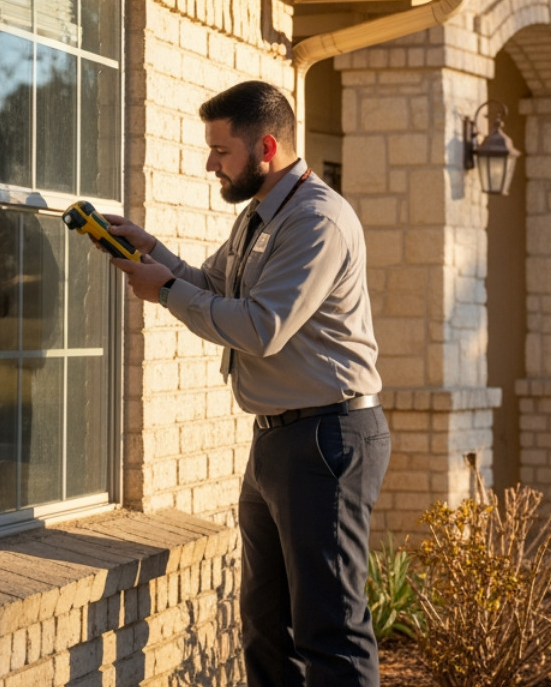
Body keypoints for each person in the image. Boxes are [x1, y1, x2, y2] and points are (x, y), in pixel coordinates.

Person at [106, 80, 389, 687]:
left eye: (220, 150)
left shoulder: (317, 220)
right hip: (278, 441)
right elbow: (211, 287)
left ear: (266, 146)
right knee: (266, 626)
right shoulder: (261, 217)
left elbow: (262, 327)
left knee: (330, 632)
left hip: (327, 438)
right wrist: (152, 251)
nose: (210, 163)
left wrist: (166, 289)